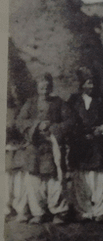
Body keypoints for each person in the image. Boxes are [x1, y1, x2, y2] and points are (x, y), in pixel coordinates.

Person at [16, 73, 72, 224]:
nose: (45, 89)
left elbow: (70, 121)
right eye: (42, 86)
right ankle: (38, 212)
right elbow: (20, 121)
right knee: (34, 181)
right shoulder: (30, 103)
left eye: (47, 86)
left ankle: (59, 212)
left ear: (51, 87)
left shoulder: (59, 103)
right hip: (34, 149)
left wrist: (52, 128)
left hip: (51, 147)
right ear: (37, 87)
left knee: (54, 180)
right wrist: (36, 125)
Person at [66, 66, 103, 222]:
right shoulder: (73, 100)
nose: (91, 86)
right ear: (81, 85)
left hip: (96, 144)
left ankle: (99, 210)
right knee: (80, 178)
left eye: (92, 83)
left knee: (98, 178)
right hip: (79, 144)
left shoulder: (102, 100)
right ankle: (84, 211)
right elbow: (68, 120)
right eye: (87, 83)